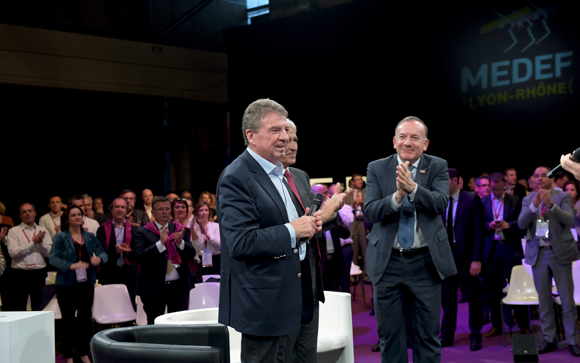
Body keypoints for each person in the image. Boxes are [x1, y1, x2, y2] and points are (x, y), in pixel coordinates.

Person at [217, 99, 327, 362]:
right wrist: (293, 230)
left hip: (299, 296)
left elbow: (290, 222)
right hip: (265, 306)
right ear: (251, 136)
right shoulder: (236, 177)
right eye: (275, 130)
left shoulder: (281, 173)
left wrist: (309, 225)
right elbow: (240, 243)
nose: (285, 137)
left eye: (286, 131)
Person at [364, 116, 455, 363]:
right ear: (394, 142)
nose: (408, 142)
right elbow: (371, 211)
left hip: (425, 263)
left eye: (415, 137)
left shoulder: (437, 166)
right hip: (387, 263)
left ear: (425, 144)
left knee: (427, 338)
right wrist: (397, 196)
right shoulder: (376, 167)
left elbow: (440, 203)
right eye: (403, 137)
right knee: (390, 338)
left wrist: (413, 189)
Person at [277, 119, 349, 362]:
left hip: (308, 283)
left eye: (296, 139)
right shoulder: (263, 181)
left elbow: (311, 226)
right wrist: (322, 215)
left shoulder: (299, 176)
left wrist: (329, 215)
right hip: (280, 287)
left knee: (307, 356)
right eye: (287, 139)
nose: (293, 145)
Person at [518, 166, 580, 356]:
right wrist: (535, 206)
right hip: (539, 255)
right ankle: (548, 339)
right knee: (544, 302)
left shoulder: (563, 197)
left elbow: (570, 220)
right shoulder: (528, 199)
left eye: (543, 175)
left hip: (559, 253)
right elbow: (521, 223)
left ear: (551, 178)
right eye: (536, 176)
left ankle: (572, 340)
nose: (539, 179)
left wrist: (550, 204)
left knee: (567, 301)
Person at [49, 205, 107, 363]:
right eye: (73, 215)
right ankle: (68, 355)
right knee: (68, 320)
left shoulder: (89, 236)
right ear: (67, 219)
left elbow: (103, 252)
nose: (77, 217)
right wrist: (71, 265)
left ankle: (83, 352)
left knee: (85, 319)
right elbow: (52, 258)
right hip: (66, 285)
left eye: (79, 214)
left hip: (86, 283)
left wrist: (99, 259)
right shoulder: (61, 237)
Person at [439, 168, 485, 351]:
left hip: (467, 259)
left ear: (455, 181)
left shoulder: (471, 199)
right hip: (446, 258)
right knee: (447, 300)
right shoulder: (440, 201)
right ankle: (447, 335)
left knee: (473, 299)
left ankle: (475, 335)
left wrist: (477, 259)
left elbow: (479, 231)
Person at [133, 196, 196, 325]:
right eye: (160, 209)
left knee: (178, 324)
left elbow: (191, 254)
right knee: (155, 324)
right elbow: (140, 256)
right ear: (153, 212)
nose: (164, 212)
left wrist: (181, 243)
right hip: (153, 288)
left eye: (167, 209)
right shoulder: (143, 232)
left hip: (178, 287)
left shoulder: (179, 229)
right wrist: (160, 244)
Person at [481, 172, 530, 338]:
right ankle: (496, 325)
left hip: (510, 247)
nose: (496, 193)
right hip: (492, 248)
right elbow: (478, 224)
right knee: (493, 291)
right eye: (493, 190)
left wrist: (509, 225)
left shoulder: (515, 201)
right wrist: (489, 226)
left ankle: (524, 325)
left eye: (500, 189)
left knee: (517, 287)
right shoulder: (483, 202)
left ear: (505, 186)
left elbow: (523, 223)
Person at [4, 203, 53, 311]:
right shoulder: (13, 231)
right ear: (20, 216)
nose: (28, 214)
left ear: (35, 213)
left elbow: (49, 253)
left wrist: (40, 243)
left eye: (30, 211)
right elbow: (13, 252)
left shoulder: (43, 230)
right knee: (19, 308)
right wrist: (33, 242)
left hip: (38, 274)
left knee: (38, 308)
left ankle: (37, 328)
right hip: (20, 275)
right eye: (24, 212)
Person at [96, 198, 137, 307]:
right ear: (112, 210)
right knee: (109, 307)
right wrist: (115, 251)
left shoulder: (134, 230)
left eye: (122, 207)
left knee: (129, 306)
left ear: (126, 210)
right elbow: (100, 252)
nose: (119, 210)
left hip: (128, 274)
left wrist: (128, 250)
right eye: (117, 207)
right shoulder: (102, 229)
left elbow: (138, 252)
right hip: (109, 273)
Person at [191, 201, 221, 275]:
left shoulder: (215, 226)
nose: (204, 213)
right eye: (201, 210)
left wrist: (207, 234)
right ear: (197, 212)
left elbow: (220, 245)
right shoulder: (194, 227)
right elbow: (194, 248)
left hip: (215, 258)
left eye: (206, 210)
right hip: (200, 260)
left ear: (209, 212)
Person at [563, 180, 580, 246]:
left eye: (572, 190)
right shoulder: (561, 204)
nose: (569, 192)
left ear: (577, 192)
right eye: (566, 190)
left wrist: (573, 208)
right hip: (565, 236)